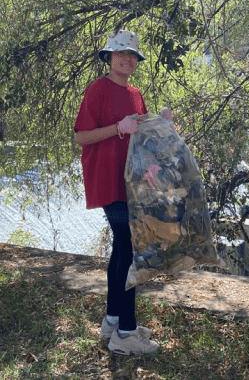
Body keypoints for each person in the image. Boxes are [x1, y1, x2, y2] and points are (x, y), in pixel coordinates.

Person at [74, 30, 159, 355]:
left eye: (132, 55)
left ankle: (113, 321)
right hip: (108, 181)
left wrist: (158, 124)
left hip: (131, 182)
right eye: (121, 53)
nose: (127, 58)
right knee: (130, 251)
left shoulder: (136, 94)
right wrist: (116, 128)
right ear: (109, 57)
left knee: (121, 252)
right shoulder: (97, 90)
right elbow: (82, 137)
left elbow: (141, 135)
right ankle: (125, 334)